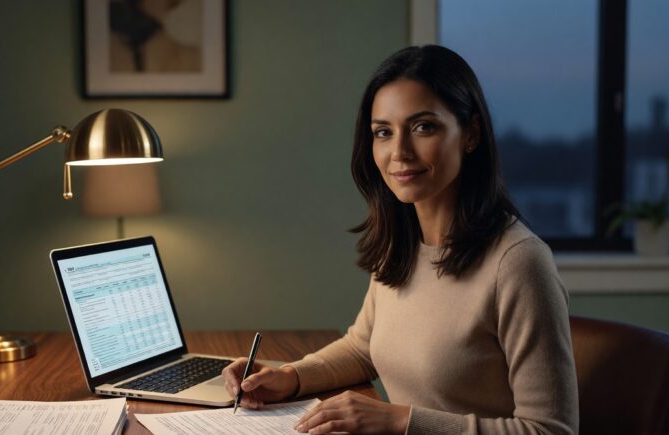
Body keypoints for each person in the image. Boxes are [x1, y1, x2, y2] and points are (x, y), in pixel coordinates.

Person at [221, 45, 579, 434]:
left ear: (471, 133)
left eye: (423, 127)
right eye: (383, 133)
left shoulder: (519, 262)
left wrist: (401, 420)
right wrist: (289, 377)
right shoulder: (401, 243)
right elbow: (363, 347)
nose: (399, 152)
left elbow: (551, 429)